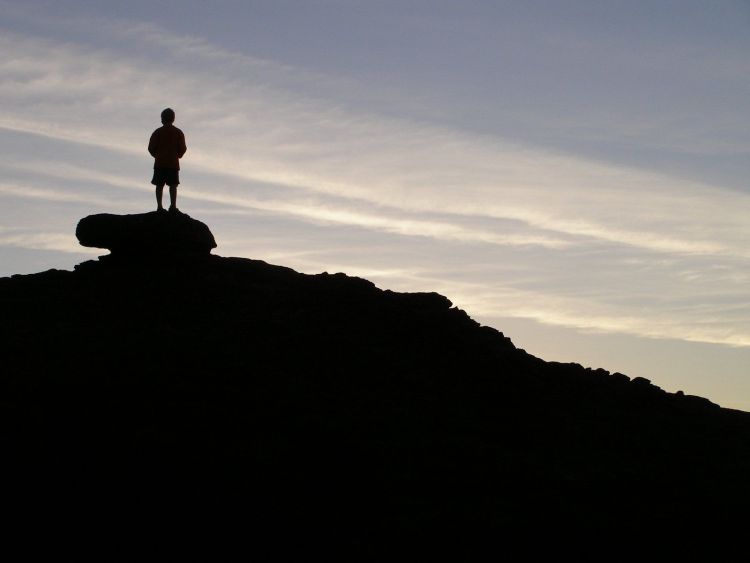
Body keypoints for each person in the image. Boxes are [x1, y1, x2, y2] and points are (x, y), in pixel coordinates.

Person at [148, 108, 187, 213]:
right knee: (173, 185)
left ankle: (159, 207)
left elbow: (151, 148)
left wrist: (157, 155)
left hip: (160, 163)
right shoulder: (178, 132)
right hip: (173, 163)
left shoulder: (157, 132)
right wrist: (178, 155)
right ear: (173, 118)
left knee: (159, 185)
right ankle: (173, 206)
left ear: (162, 119)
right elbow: (183, 149)